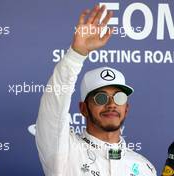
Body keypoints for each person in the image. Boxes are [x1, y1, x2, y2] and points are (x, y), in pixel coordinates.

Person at [35, 5, 157, 176]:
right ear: (83, 108)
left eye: (119, 97)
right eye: (100, 98)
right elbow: (53, 108)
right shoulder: (63, 153)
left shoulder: (144, 168)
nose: (111, 104)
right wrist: (76, 55)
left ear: (127, 109)